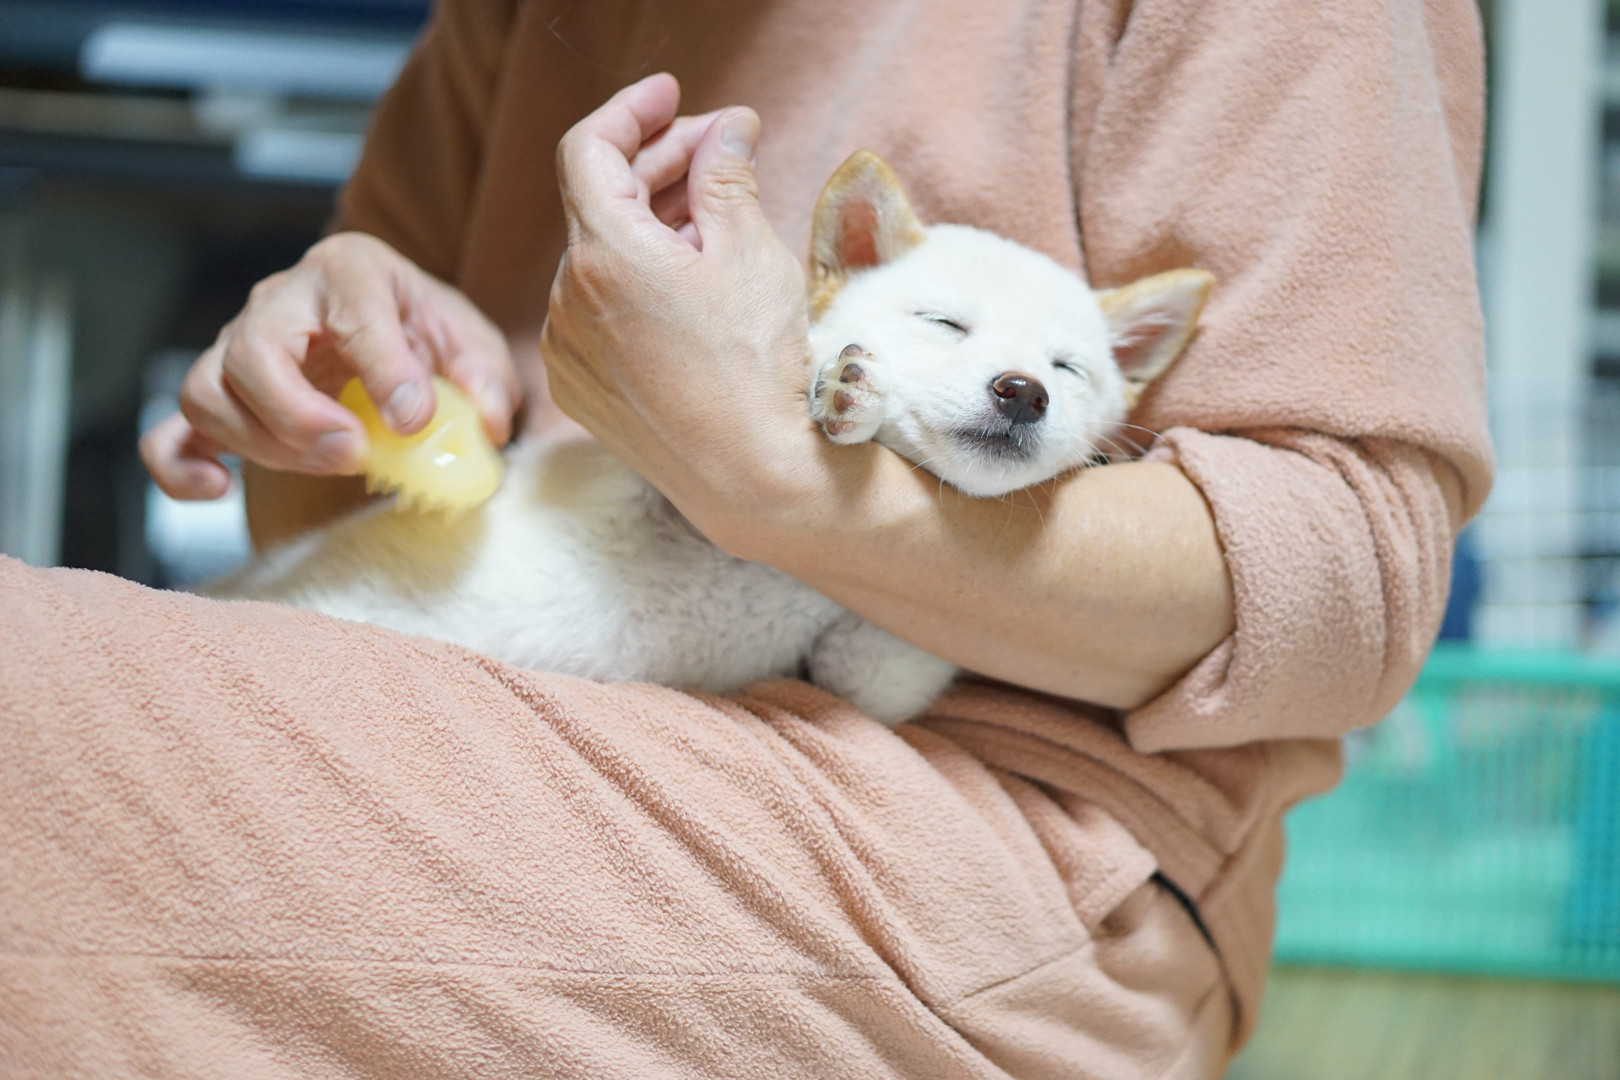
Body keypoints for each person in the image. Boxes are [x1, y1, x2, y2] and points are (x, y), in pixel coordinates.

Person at [3, 1, 1489, 1076]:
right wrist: (347, 400)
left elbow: (1348, 579)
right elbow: (360, 547)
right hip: (535, 673)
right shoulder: (505, 25)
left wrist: (777, 477)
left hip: (999, 830)